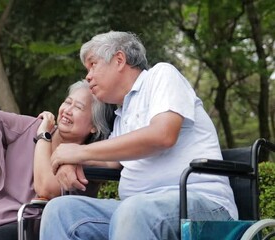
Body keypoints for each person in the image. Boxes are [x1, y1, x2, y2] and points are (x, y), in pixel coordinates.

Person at [39, 31, 238, 240]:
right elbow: (112, 162)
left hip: (200, 203)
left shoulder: (161, 75)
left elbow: (163, 135)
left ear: (119, 60)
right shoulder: (121, 114)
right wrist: (69, 160)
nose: (88, 77)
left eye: (93, 65)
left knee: (133, 210)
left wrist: (79, 152)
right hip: (137, 210)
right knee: (60, 211)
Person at [0, 34, 116, 240]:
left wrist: (43, 135)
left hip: (38, 224)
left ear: (93, 127)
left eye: (78, 107)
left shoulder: (88, 157)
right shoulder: (29, 126)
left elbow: (47, 190)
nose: (67, 110)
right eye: (67, 102)